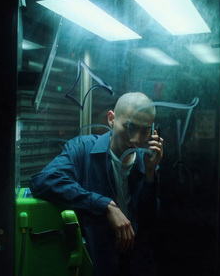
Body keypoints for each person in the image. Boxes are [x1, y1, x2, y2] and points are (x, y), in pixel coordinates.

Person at [29, 92, 164, 276]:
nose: (135, 139)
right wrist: (105, 205)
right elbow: (42, 181)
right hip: (97, 263)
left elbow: (149, 223)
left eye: (145, 130)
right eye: (129, 127)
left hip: (137, 265)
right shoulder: (83, 149)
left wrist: (150, 175)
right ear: (111, 119)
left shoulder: (147, 160)